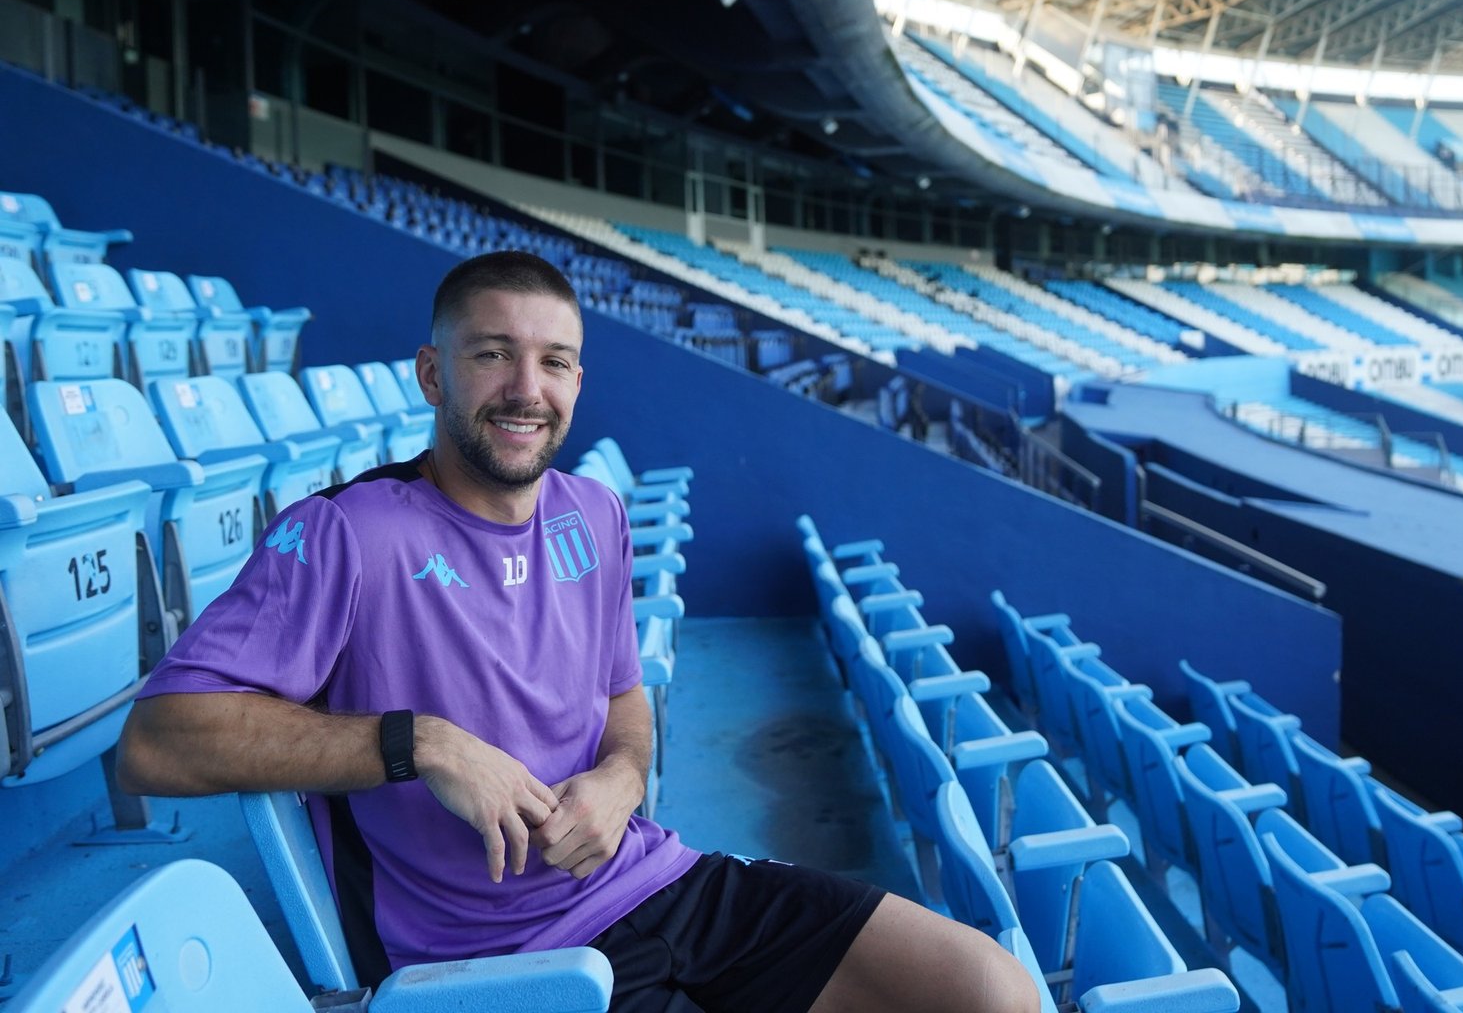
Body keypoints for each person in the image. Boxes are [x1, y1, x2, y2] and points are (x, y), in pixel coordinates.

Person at [117, 251, 1037, 1012]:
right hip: (500, 963)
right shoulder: (346, 534)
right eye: (492, 355)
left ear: (578, 380)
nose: (527, 388)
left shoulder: (592, 514)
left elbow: (621, 697)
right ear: (433, 372)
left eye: (554, 361)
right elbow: (155, 745)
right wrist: (419, 744)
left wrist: (621, 777)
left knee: (987, 987)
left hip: (656, 884)